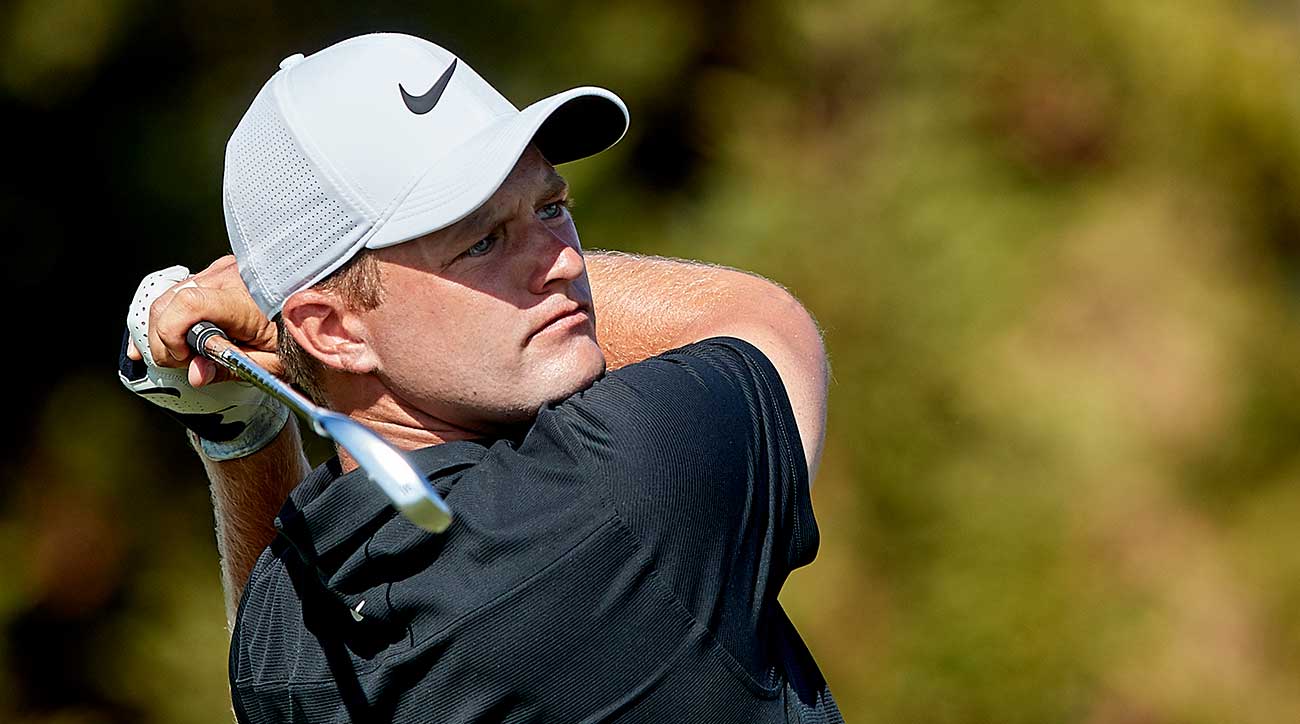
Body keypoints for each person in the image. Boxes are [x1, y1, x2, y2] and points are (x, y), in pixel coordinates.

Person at [121, 32, 840, 722]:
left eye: (552, 207)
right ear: (334, 331)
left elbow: (282, 662)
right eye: (482, 241)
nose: (562, 261)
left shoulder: (278, 638)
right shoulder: (622, 486)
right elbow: (762, 321)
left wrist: (240, 438)